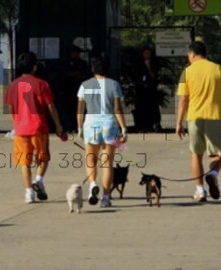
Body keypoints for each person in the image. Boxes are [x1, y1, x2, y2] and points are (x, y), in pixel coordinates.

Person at [176, 41, 221, 203]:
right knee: (217, 154)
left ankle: (200, 190)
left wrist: (178, 123)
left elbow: (183, 100)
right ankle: (213, 174)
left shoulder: (186, 72)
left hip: (194, 117)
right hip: (215, 116)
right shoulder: (217, 69)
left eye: (189, 55)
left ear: (193, 54)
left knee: (196, 154)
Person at [5, 52, 64, 203]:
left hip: (21, 129)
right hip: (39, 127)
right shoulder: (41, 84)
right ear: (34, 66)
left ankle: (28, 192)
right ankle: (38, 180)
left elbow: (12, 108)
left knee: (24, 161)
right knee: (43, 158)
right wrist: (58, 126)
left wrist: (16, 122)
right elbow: (51, 106)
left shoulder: (13, 85)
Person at [76, 58, 128, 208]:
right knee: (107, 163)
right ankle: (106, 197)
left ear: (93, 69)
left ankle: (92, 184)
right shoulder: (114, 85)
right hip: (109, 124)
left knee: (91, 160)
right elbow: (117, 109)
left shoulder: (84, 85)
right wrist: (123, 128)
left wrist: (80, 127)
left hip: (91, 123)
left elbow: (80, 110)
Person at [59, 47, 90, 132]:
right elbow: (64, 73)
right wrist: (73, 74)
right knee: (70, 110)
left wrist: (77, 74)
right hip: (69, 90)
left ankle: (79, 126)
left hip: (80, 89)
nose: (74, 55)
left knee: (80, 109)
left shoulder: (83, 63)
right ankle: (71, 127)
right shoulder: (67, 63)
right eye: (73, 53)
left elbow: (85, 74)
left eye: (76, 53)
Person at [134, 47, 161, 131]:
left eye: (149, 54)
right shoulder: (139, 64)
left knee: (153, 106)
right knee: (143, 106)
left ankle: (156, 124)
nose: (147, 55)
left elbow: (154, 76)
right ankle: (143, 125)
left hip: (151, 87)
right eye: (145, 53)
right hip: (142, 88)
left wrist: (148, 67)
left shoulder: (153, 63)